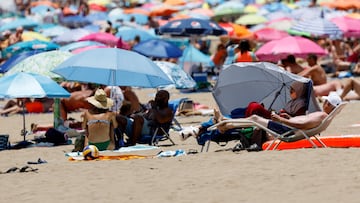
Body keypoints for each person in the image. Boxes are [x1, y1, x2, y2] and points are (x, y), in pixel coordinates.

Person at [215, 92, 342, 150]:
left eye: (326, 101)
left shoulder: (321, 115)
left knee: (255, 119)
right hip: (291, 128)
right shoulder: (323, 116)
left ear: (330, 105)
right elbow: (305, 124)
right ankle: (226, 123)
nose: (324, 102)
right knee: (255, 119)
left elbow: (304, 124)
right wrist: (289, 118)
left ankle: (226, 125)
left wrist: (281, 119)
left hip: (288, 131)